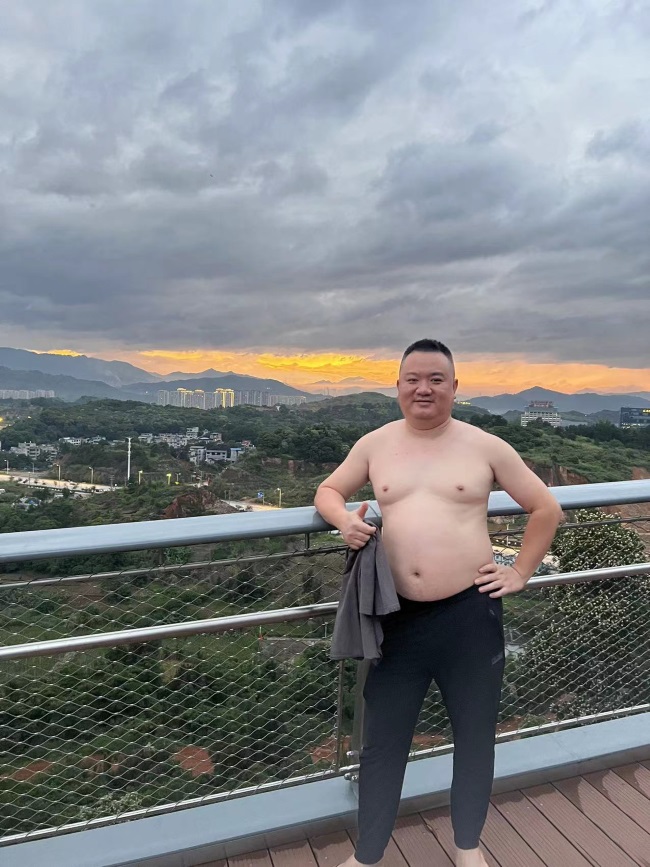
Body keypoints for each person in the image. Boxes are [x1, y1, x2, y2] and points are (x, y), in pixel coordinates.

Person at [314, 339, 562, 867]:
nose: (423, 389)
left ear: (453, 387)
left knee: (475, 736)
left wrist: (520, 572)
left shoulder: (485, 446)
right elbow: (328, 491)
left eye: (435, 379)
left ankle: (467, 846)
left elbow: (545, 508)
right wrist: (344, 521)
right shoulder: (376, 444)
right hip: (397, 617)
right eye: (413, 379)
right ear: (398, 386)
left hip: (469, 614)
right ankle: (367, 855)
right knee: (383, 743)